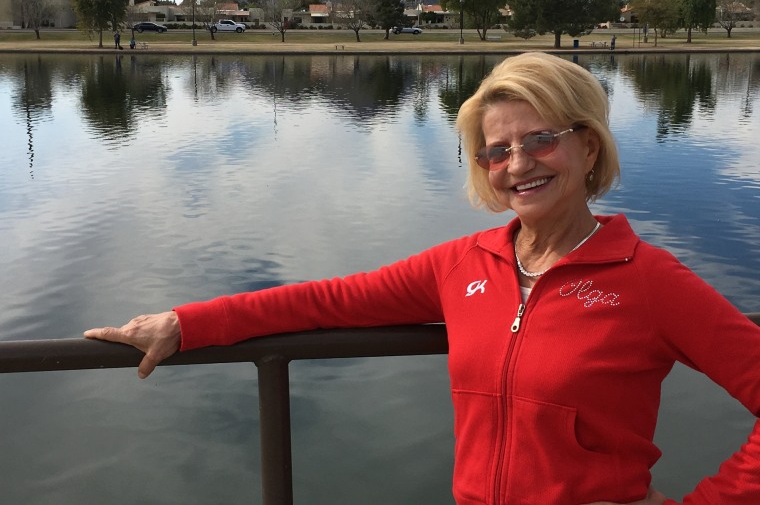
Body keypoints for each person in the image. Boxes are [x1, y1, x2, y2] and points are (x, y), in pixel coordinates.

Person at [85, 52, 760, 505]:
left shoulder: (646, 279)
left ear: (588, 146)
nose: (517, 164)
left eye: (540, 140)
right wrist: (189, 323)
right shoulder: (464, 266)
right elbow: (328, 301)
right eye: (496, 151)